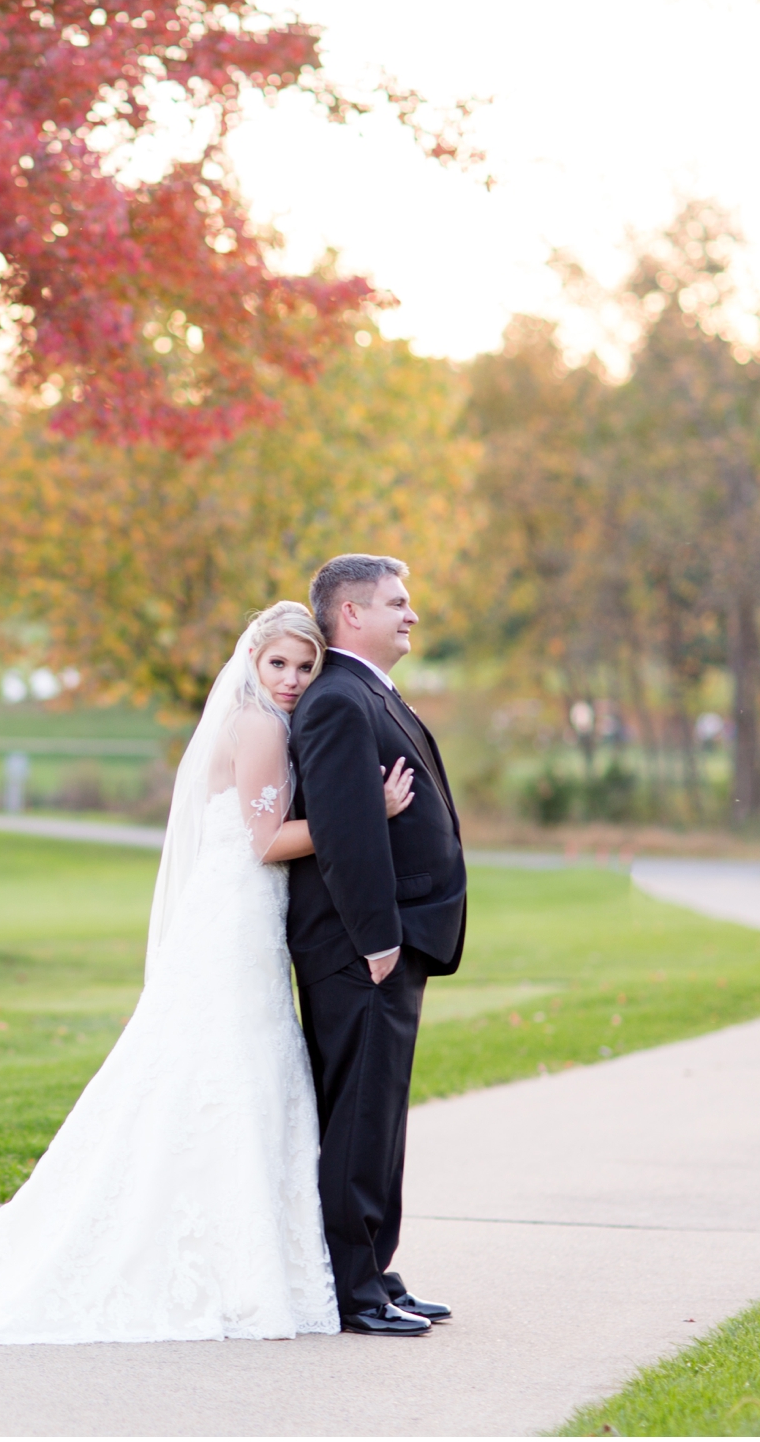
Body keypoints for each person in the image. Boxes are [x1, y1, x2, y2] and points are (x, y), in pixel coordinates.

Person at [0, 601, 413, 1344]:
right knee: (233, 1069)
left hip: (243, 920)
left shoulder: (270, 722)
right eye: (277, 663)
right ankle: (239, 1262)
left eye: (304, 665)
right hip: (235, 919)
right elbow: (264, 839)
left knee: (232, 1072)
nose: (290, 679)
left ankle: (247, 1253)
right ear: (251, 661)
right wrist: (366, 813)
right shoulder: (256, 725)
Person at [287, 554, 466, 1337]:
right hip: (363, 947)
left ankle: (377, 1272)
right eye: (398, 601)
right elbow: (345, 837)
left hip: (392, 942)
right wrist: (377, 936)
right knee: (359, 1117)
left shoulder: (369, 693)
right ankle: (352, 1292)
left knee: (380, 1116)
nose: (412, 613)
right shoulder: (335, 701)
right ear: (351, 614)